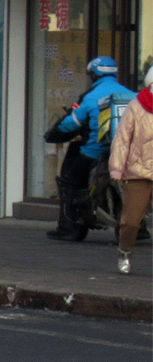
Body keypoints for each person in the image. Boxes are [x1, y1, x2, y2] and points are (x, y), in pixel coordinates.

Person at [43, 56, 135, 241]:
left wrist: (52, 135)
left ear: (94, 75)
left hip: (94, 152)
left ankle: (69, 228)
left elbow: (70, 124)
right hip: (128, 154)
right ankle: (138, 227)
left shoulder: (91, 97)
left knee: (69, 182)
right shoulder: (132, 95)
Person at [109, 64, 153, 274]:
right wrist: (117, 168)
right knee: (131, 221)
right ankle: (124, 253)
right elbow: (122, 140)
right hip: (137, 173)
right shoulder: (136, 106)